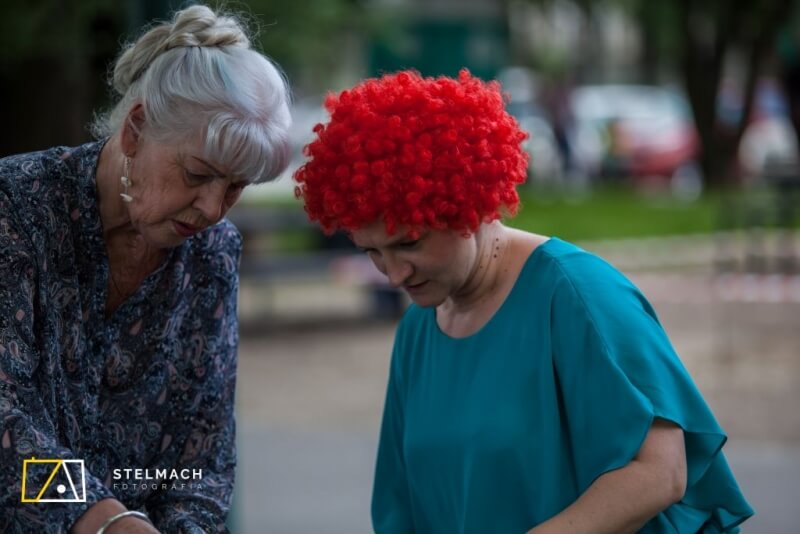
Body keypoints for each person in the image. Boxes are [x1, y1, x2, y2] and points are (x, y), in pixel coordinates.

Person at [294, 70, 753, 533]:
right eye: (372, 252)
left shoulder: (578, 294)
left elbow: (662, 471)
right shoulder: (418, 328)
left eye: (409, 243)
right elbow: (405, 508)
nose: (393, 275)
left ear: (468, 205)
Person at [0, 4, 291, 532]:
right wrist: (101, 518)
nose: (212, 208)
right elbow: (6, 424)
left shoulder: (213, 252)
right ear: (136, 129)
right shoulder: (15, 206)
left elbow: (202, 461)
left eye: (236, 186)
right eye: (197, 174)